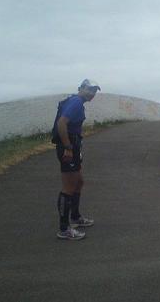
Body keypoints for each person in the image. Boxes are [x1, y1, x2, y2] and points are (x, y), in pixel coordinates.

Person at [52, 79, 101, 240]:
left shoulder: (77, 102)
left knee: (79, 182)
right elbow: (61, 123)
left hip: (74, 146)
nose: (92, 93)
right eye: (89, 89)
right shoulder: (75, 102)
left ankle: (76, 217)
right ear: (80, 88)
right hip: (68, 147)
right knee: (69, 187)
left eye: (94, 90)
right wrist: (67, 147)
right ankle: (64, 229)